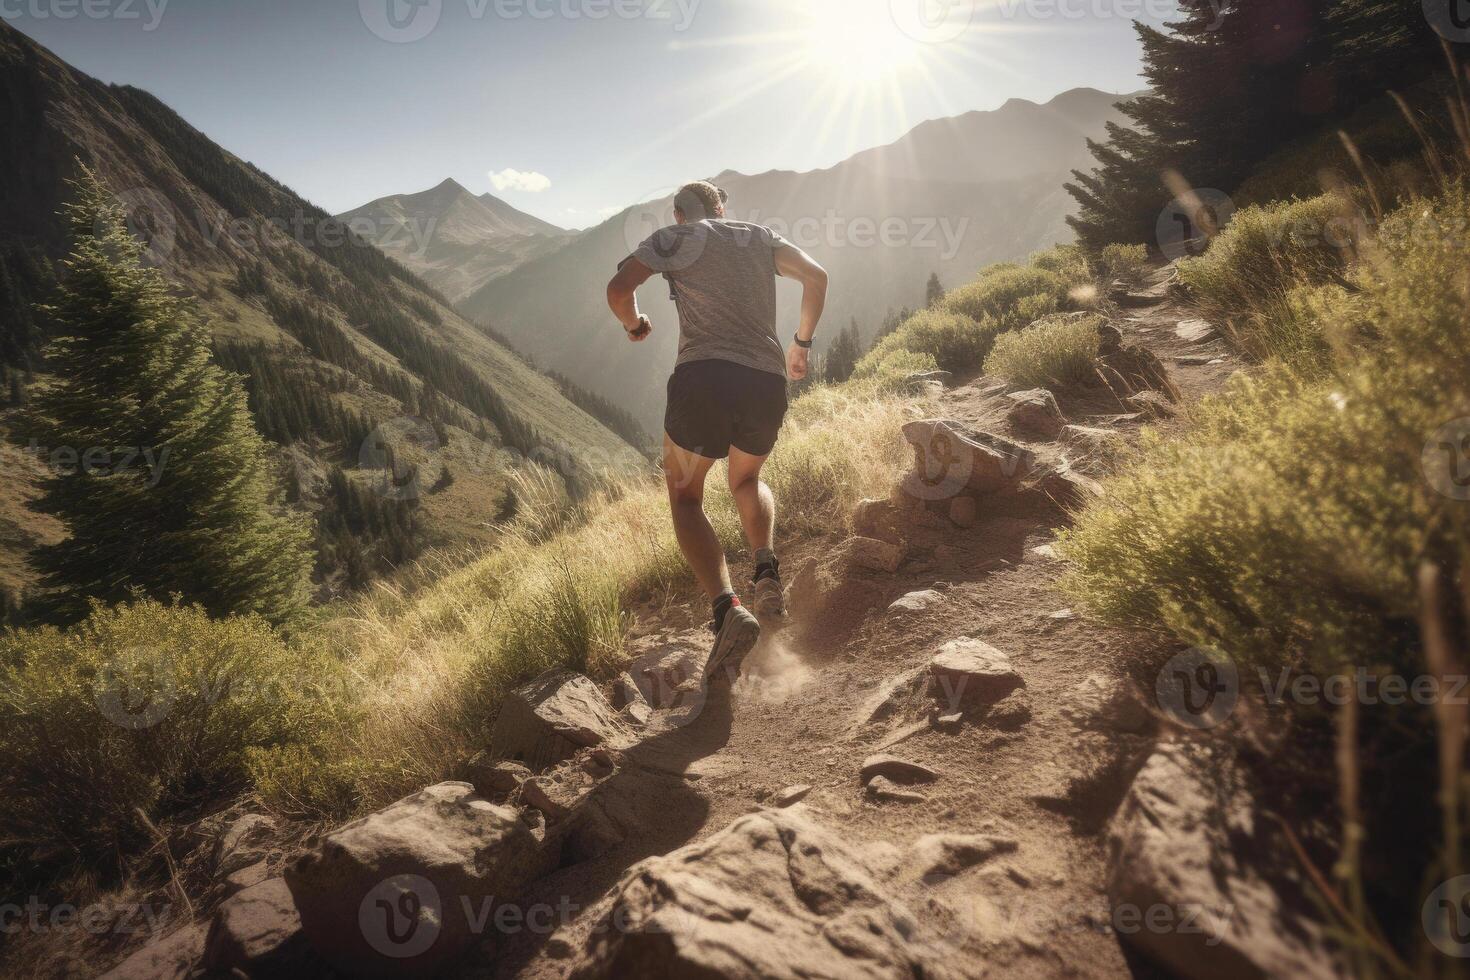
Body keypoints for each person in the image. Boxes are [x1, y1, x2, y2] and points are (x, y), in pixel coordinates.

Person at [606, 180, 828, 682]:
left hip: (702, 377)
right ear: (721, 208)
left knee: (686, 497)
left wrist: (634, 324)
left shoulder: (674, 237)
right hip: (765, 381)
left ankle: (728, 609)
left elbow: (619, 289)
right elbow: (817, 276)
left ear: (680, 214)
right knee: (746, 480)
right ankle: (766, 571)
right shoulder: (760, 236)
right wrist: (801, 344)